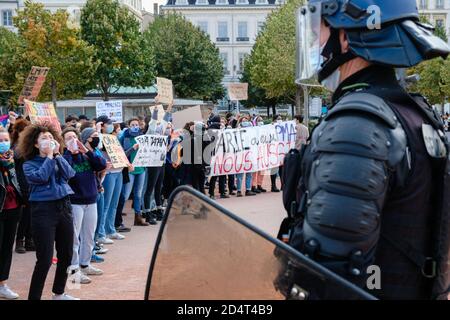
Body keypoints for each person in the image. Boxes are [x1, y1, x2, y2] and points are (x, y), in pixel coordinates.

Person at [290, 0, 450, 300]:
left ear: (346, 37)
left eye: (320, 30)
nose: (315, 43)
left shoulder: (358, 125)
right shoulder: (412, 111)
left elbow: (330, 279)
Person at [19, 124, 78, 300]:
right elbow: (41, 177)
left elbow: (70, 173)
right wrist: (50, 157)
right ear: (35, 144)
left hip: (64, 206)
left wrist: (58, 155)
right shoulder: (29, 164)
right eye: (44, 138)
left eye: (50, 137)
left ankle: (59, 293)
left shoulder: (58, 157)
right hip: (43, 210)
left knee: (66, 253)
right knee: (44, 259)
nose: (49, 141)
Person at [62, 127, 106, 284]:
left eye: (74, 137)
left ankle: (85, 263)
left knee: (89, 235)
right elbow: (65, 172)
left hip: (91, 200)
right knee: (74, 238)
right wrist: (69, 152)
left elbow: (101, 164)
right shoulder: (63, 157)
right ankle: (74, 270)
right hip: (75, 202)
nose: (72, 140)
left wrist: (85, 150)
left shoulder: (86, 155)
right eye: (68, 138)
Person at [0, 128, 23, 299]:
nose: (3, 143)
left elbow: (15, 181)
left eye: (5, 139)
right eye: (0, 140)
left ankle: (2, 284)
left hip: (13, 208)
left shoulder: (10, 159)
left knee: (7, 248)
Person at [142, 102, 172, 223]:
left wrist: (169, 109)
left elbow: (164, 122)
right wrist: (155, 107)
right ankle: (148, 213)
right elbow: (154, 122)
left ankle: (159, 211)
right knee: (150, 189)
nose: (159, 126)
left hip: (161, 162)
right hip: (152, 163)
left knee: (159, 187)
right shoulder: (150, 132)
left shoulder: (161, 132)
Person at [116, 118, 149, 226]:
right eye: (132, 124)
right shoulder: (124, 137)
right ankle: (118, 219)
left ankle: (138, 217)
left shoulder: (143, 137)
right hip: (130, 169)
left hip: (141, 169)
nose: (135, 126)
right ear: (129, 126)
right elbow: (122, 154)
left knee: (138, 194)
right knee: (125, 195)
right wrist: (133, 148)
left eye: (136, 124)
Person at [11, 119, 34, 254]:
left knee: (31, 213)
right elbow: (18, 156)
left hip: (31, 182)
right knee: (25, 213)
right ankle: (20, 240)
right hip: (21, 183)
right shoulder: (15, 146)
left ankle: (29, 239)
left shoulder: (29, 145)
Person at [207, 115, 228, 199]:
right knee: (215, 174)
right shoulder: (214, 127)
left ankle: (220, 192)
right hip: (215, 154)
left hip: (220, 153)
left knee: (221, 174)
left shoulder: (217, 128)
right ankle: (212, 193)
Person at [235, 116, 255, 197]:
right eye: (243, 121)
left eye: (246, 120)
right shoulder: (237, 132)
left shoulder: (251, 133)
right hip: (240, 153)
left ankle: (248, 190)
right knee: (240, 174)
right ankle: (239, 191)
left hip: (249, 153)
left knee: (249, 173)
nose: (245, 122)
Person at [251, 116, 267, 194]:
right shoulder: (252, 130)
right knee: (255, 170)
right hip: (255, 152)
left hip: (263, 152)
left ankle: (259, 185)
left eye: (261, 120)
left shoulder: (265, 130)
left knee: (262, 170)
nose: (261, 121)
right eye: (259, 120)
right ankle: (253, 186)